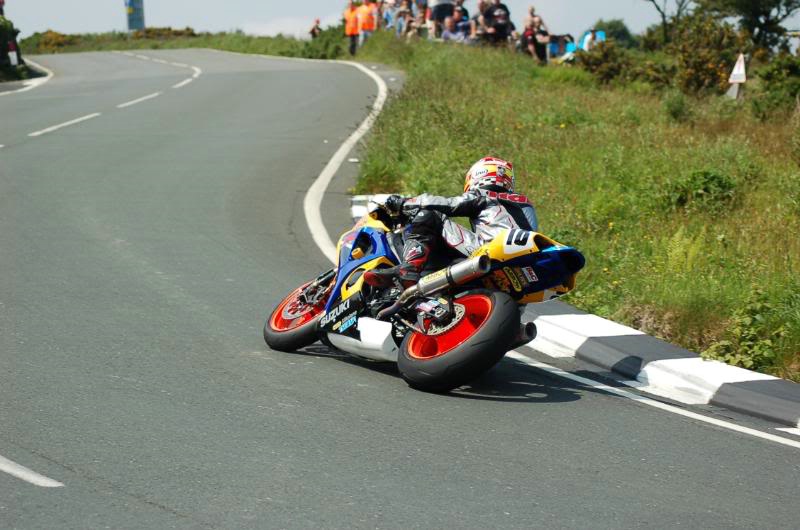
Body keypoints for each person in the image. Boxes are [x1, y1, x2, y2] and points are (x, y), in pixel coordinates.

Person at [364, 157, 539, 288]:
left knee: (430, 214)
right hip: (523, 264)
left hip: (490, 251)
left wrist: (403, 203)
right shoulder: (526, 205)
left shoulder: (487, 195)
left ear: (478, 175)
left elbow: (448, 204)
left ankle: (409, 268)